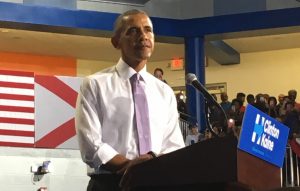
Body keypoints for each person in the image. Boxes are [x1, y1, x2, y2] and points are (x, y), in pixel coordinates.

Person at [75, 9, 185, 191]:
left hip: (156, 183)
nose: (143, 36)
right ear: (116, 42)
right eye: (133, 31)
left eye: (148, 30)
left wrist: (149, 167)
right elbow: (91, 144)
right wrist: (131, 167)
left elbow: (173, 146)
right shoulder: (94, 85)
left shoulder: (164, 92)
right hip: (110, 184)